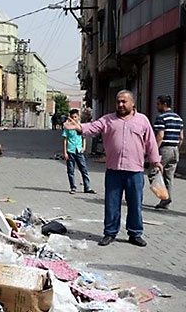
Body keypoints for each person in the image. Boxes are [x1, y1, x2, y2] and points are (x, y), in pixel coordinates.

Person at [63, 89, 162, 247]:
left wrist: (155, 161)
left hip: (135, 171)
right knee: (111, 204)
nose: (121, 104)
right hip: (113, 170)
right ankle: (110, 233)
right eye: (118, 101)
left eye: (124, 101)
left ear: (133, 103)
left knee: (135, 204)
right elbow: (93, 127)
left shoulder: (142, 120)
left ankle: (135, 234)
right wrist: (79, 127)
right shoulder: (108, 120)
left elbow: (150, 142)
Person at [153, 95, 184, 209]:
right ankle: (166, 200)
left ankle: (164, 197)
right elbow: (181, 137)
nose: (157, 106)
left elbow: (160, 136)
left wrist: (154, 151)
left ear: (164, 104)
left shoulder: (161, 118)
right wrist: (176, 149)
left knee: (153, 172)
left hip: (164, 149)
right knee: (168, 176)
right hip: (175, 149)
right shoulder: (178, 118)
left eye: (158, 104)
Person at [62, 109, 96, 195]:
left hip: (79, 151)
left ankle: (87, 187)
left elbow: (84, 138)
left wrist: (84, 147)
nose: (74, 119)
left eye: (75, 117)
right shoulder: (67, 128)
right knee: (71, 171)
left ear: (78, 117)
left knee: (84, 170)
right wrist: (65, 152)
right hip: (70, 151)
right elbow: (65, 140)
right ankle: (73, 187)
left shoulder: (80, 127)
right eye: (72, 117)